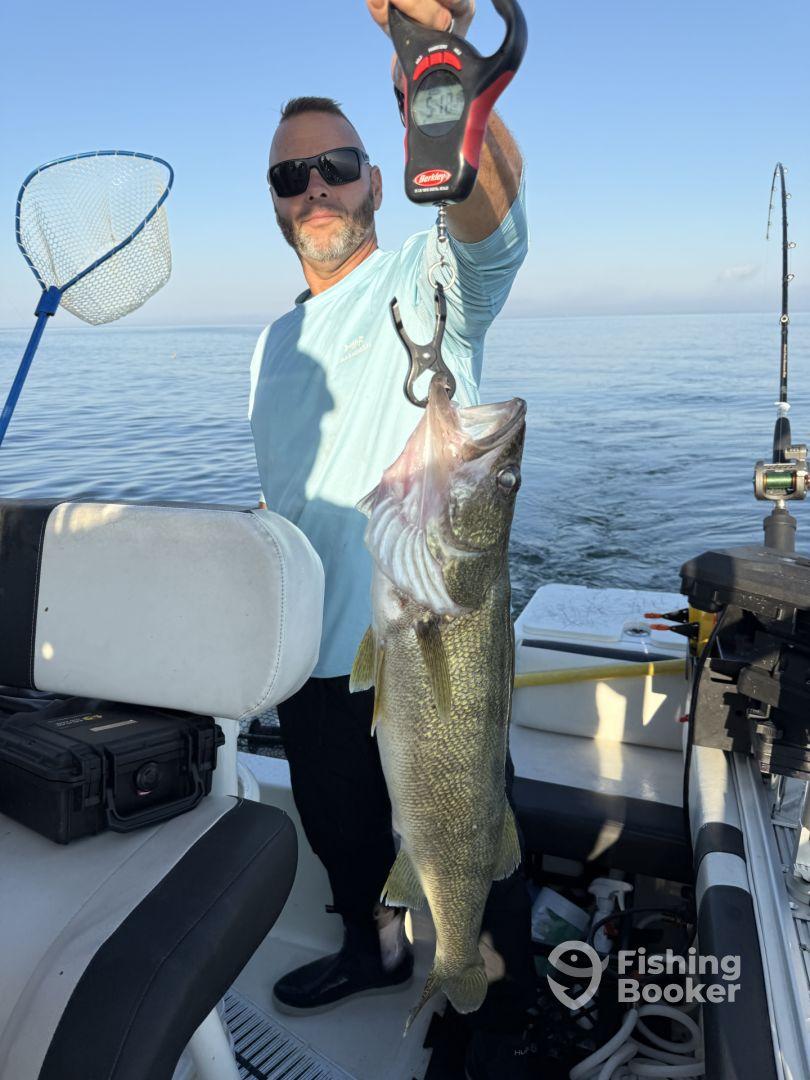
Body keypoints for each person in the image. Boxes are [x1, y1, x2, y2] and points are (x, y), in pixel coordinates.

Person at [248, 2, 538, 1075]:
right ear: (280, 204)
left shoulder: (422, 284)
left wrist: (435, 74)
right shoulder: (276, 341)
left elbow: (493, 231)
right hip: (307, 660)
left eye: (335, 165)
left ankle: (494, 1013)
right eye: (292, 177)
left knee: (470, 840)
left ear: (375, 175)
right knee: (343, 839)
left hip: (421, 646)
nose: (315, 189)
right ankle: (368, 952)